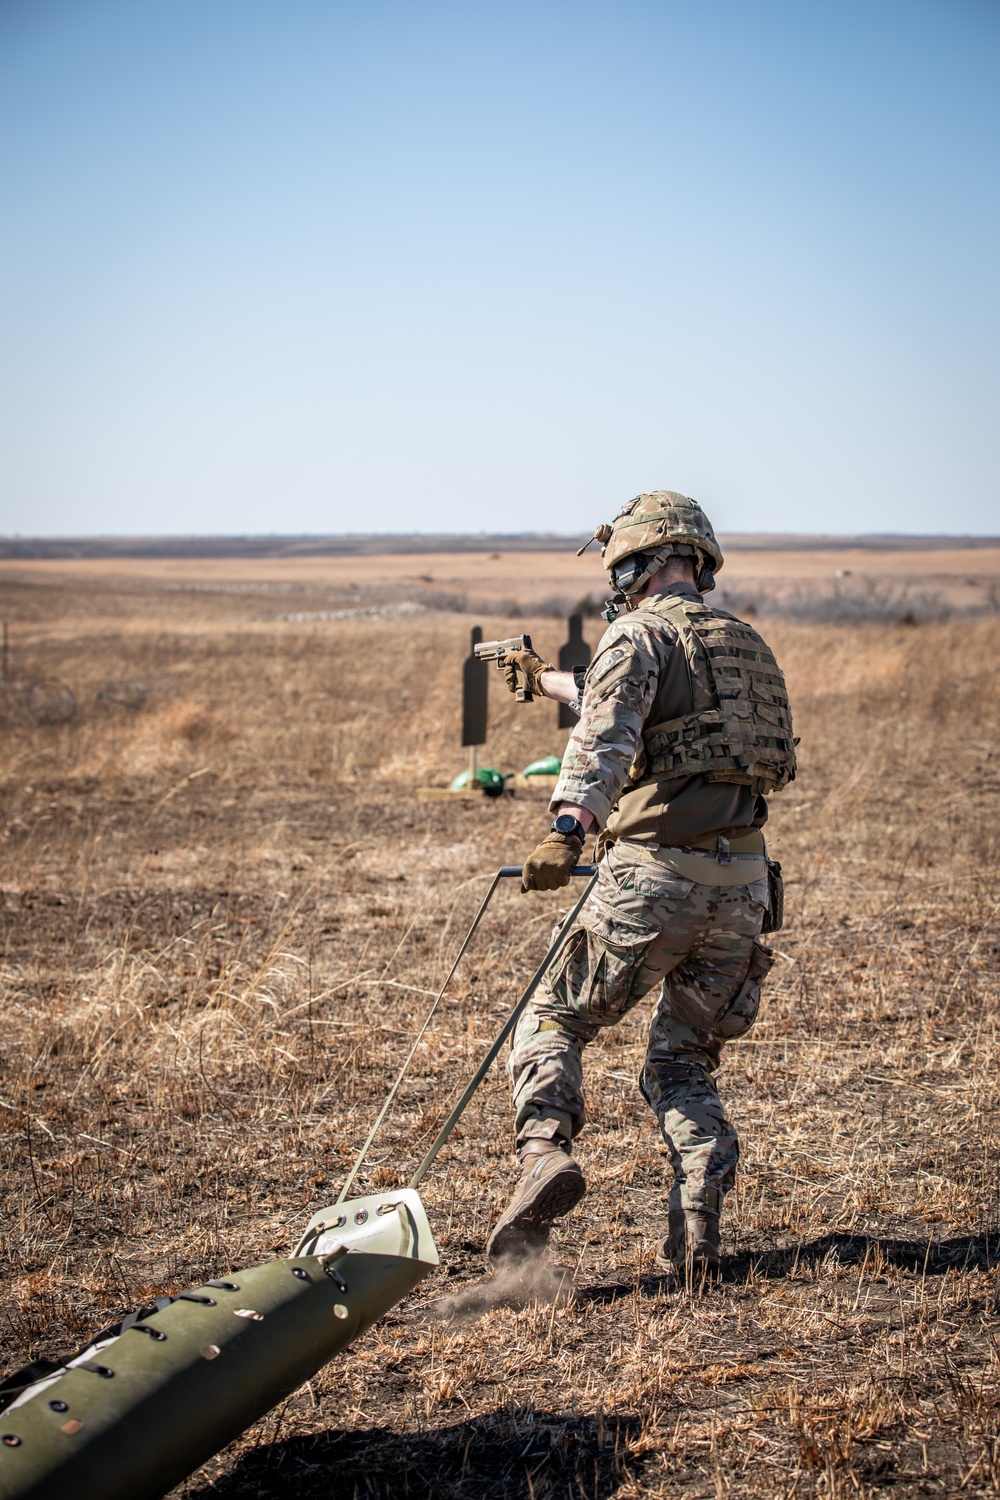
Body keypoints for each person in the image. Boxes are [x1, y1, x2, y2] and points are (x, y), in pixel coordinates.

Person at [486, 491, 796, 1284]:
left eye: (621, 563)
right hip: (744, 886)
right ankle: (698, 1226)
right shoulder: (745, 643)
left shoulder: (635, 633)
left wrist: (566, 830)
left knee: (550, 1018)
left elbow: (608, 739)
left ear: (641, 561)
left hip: (654, 877)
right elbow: (660, 711)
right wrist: (549, 681)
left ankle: (542, 1156)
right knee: (681, 1064)